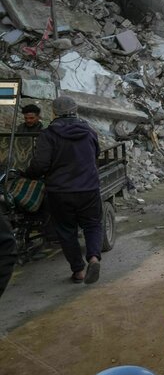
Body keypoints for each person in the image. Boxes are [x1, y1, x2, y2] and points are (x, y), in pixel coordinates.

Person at [23, 96, 102, 284]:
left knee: (67, 231)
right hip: (88, 188)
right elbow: (96, 154)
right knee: (92, 225)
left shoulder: (48, 134)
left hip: (60, 191)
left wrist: (29, 174)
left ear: (54, 113)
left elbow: (40, 164)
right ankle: (93, 258)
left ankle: (78, 271)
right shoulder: (89, 131)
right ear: (76, 110)